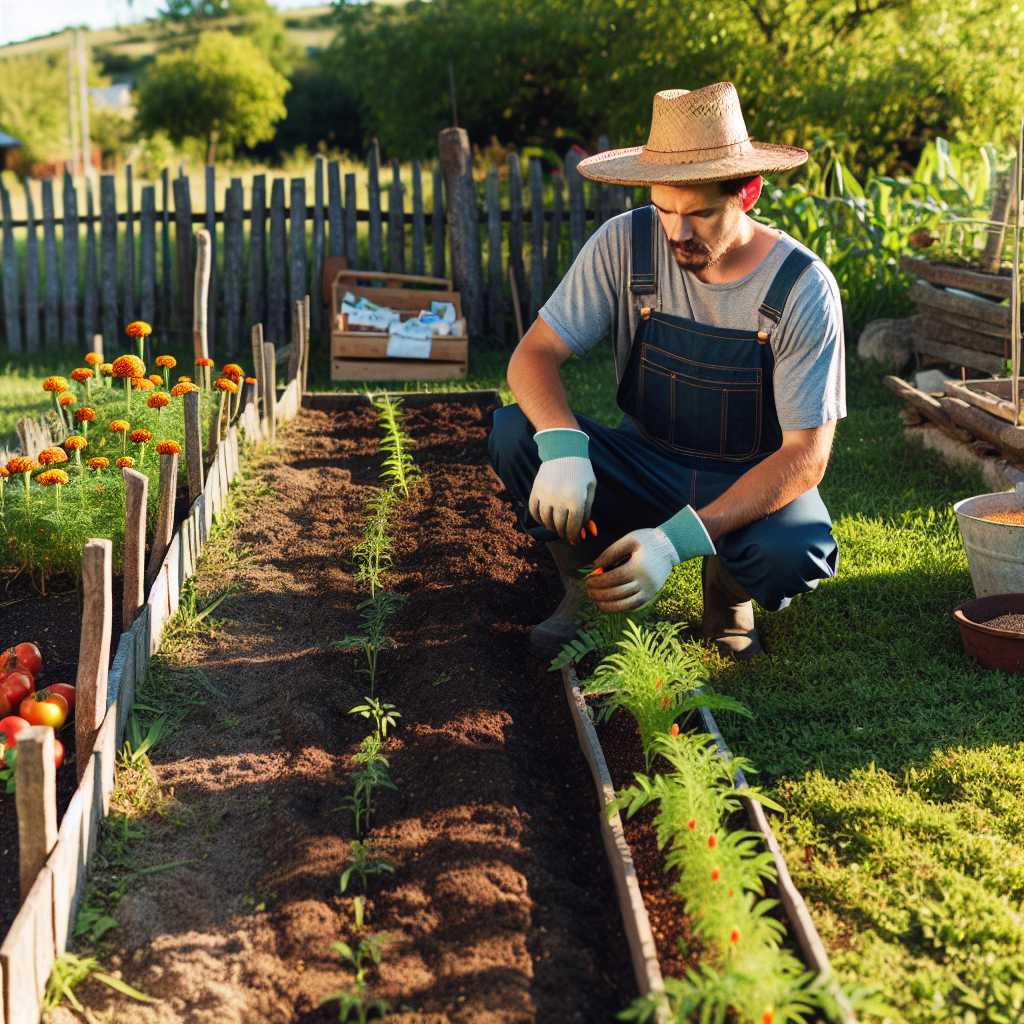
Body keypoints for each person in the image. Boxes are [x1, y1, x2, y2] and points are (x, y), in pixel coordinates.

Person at [487, 82, 845, 661]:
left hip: (748, 474)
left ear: (747, 192)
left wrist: (676, 541)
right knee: (515, 433)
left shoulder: (801, 286)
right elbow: (532, 356)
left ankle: (729, 599)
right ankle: (590, 584)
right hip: (647, 459)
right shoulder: (624, 245)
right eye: (664, 210)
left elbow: (807, 455)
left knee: (794, 549)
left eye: (700, 214)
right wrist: (563, 446)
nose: (677, 233)